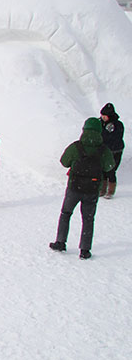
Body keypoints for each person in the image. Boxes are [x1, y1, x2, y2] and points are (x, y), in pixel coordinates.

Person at [49, 118, 115, 259]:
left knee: (66, 213)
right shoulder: (103, 150)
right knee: (88, 219)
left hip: (74, 187)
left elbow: (64, 162)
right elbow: (109, 166)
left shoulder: (76, 147)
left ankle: (60, 242)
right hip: (92, 189)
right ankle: (84, 250)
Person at [99, 102, 124, 199]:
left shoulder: (117, 125)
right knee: (103, 170)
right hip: (104, 151)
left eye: (105, 116)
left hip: (115, 151)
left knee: (111, 170)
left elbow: (115, 137)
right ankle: (102, 189)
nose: (103, 117)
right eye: (102, 115)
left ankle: (111, 190)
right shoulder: (100, 123)